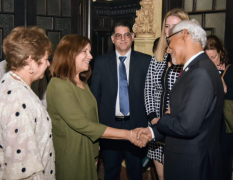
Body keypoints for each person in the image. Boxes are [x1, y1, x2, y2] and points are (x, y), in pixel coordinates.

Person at [46, 34, 148, 180]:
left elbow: (93, 117)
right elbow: (84, 125)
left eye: (90, 51)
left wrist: (95, 153)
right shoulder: (59, 85)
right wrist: (130, 135)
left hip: (89, 153)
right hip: (73, 156)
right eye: (85, 52)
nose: (90, 56)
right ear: (70, 54)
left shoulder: (82, 82)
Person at [137, 19, 225, 180]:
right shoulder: (194, 69)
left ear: (185, 35)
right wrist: (151, 133)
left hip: (191, 166)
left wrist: (161, 120)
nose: (168, 49)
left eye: (170, 41)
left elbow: (186, 126)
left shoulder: (200, 72)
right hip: (187, 161)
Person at [0, 26, 55, 179]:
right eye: (46, 59)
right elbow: (22, 169)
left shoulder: (6, 82)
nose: (48, 64)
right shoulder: (19, 100)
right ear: (31, 61)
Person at [90, 20, 151, 180]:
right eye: (118, 35)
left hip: (136, 127)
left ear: (133, 36)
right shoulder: (101, 62)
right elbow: (95, 97)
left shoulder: (146, 61)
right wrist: (96, 129)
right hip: (109, 127)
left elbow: (151, 95)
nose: (123, 38)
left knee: (136, 172)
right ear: (112, 38)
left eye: (126, 34)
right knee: (110, 172)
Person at [144, 8, 189, 180]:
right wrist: (153, 117)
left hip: (176, 129)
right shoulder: (158, 57)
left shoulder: (188, 60)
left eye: (175, 26)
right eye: (167, 26)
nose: (169, 31)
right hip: (156, 126)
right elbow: (149, 88)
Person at [205, 35, 233, 180]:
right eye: (207, 58)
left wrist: (226, 90)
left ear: (221, 53)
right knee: (207, 164)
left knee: (222, 165)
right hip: (207, 125)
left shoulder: (231, 71)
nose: (211, 61)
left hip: (225, 127)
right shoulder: (203, 71)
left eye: (214, 57)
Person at [0, 60, 48, 129]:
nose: (48, 63)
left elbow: (44, 98)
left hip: (34, 125)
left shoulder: (38, 71)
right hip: (5, 129)